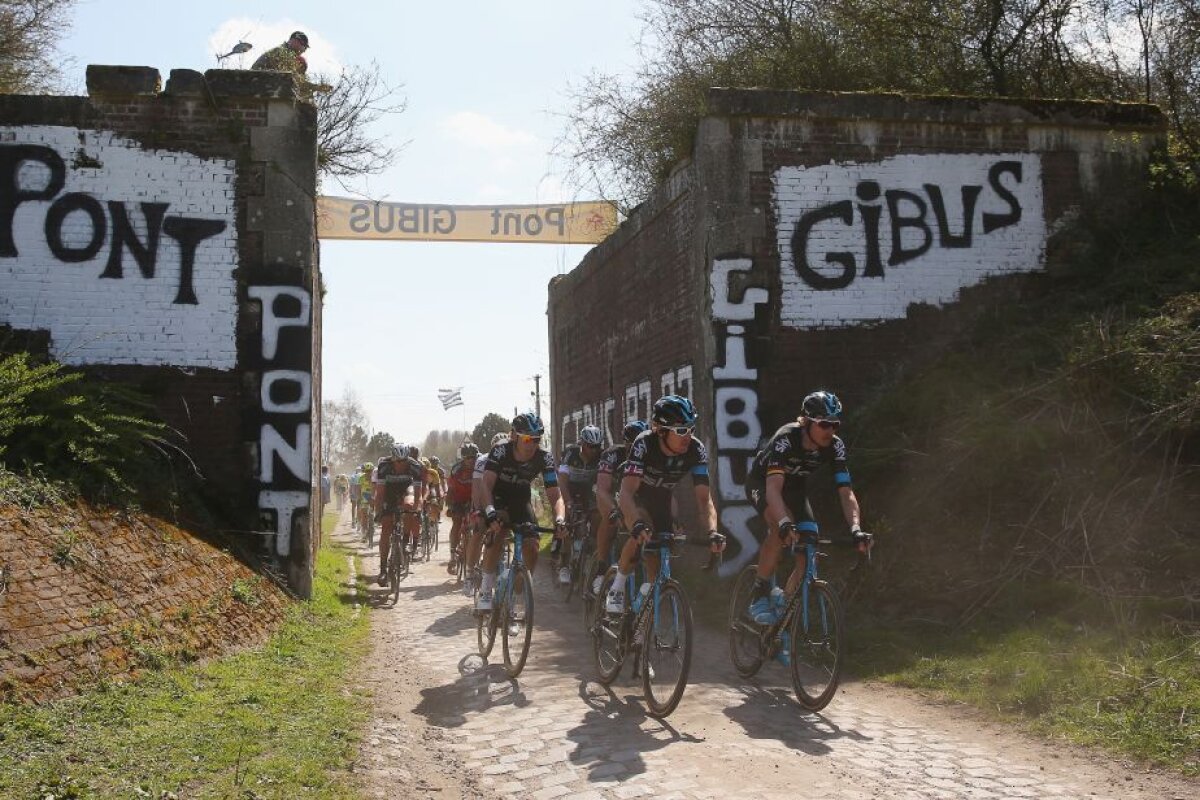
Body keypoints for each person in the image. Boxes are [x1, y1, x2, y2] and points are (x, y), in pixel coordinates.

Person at [742, 390, 871, 628]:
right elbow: (773, 488)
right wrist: (784, 524)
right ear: (807, 421)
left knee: (808, 547)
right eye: (824, 424)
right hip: (763, 484)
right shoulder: (786, 438)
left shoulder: (835, 446)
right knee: (778, 528)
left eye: (835, 424)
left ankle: (783, 608)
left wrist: (855, 528)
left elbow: (846, 492)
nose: (830, 430)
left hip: (795, 489)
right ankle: (759, 593)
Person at [608, 395, 721, 614]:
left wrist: (712, 532)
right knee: (642, 527)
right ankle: (618, 586)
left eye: (691, 428)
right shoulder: (644, 443)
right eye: (681, 430)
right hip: (635, 495)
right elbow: (627, 493)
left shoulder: (695, 450)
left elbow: (704, 499)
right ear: (661, 430)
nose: (687, 436)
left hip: (661, 497)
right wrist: (636, 523)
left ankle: (644, 613)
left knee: (660, 550)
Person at [476, 413, 566, 613]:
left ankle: (514, 600)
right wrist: (490, 512)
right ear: (514, 437)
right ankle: (485, 590)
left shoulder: (544, 457)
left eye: (536, 439)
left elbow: (555, 495)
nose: (531, 444)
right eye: (526, 438)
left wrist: (559, 518)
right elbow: (486, 485)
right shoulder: (501, 451)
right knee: (498, 532)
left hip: (520, 499)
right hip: (497, 497)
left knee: (532, 546)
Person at [591, 419, 648, 594]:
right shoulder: (612, 455)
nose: (636, 448)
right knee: (607, 518)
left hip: (635, 497)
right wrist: (613, 511)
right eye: (632, 444)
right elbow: (602, 489)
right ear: (625, 443)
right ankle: (601, 568)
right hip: (613, 494)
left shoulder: (649, 455)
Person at [554, 424, 603, 584]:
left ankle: (590, 552)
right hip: (570, 486)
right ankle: (564, 564)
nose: (593, 450)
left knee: (597, 515)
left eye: (596, 446)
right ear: (582, 443)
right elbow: (562, 481)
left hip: (588, 489)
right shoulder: (570, 453)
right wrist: (568, 502)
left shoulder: (601, 456)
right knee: (568, 521)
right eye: (590, 446)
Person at [373, 444, 424, 584]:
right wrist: (378, 511)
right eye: (398, 461)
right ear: (393, 459)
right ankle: (383, 570)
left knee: (409, 507)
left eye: (404, 461)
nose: (401, 464)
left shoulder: (415, 466)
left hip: (407, 490)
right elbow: (380, 493)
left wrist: (416, 509)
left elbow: (418, 494)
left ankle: (406, 541)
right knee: (386, 528)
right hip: (388, 492)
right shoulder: (384, 465)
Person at [445, 443, 479, 575]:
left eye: (473, 457)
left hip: (474, 499)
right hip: (458, 499)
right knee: (457, 522)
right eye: (467, 458)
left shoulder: (481, 466)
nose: (471, 460)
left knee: (477, 524)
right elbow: (451, 490)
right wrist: (450, 506)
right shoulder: (456, 469)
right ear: (462, 458)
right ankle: (453, 555)